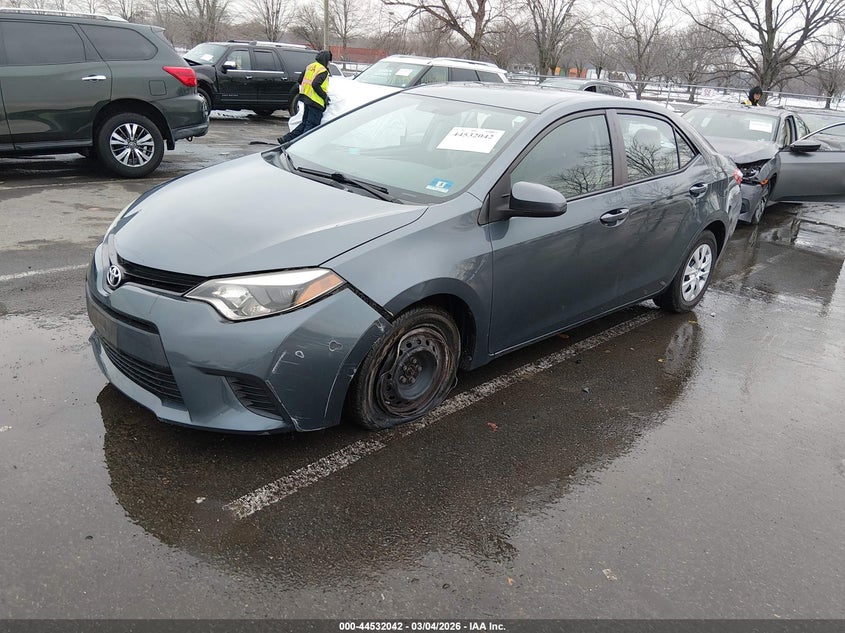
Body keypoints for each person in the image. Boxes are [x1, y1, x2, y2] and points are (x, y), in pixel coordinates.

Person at [277, 50, 332, 144]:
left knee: (305, 123)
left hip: (306, 99)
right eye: (329, 61)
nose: (329, 63)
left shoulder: (310, 67)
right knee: (311, 126)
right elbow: (315, 84)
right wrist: (324, 97)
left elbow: (300, 80)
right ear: (326, 60)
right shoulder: (323, 70)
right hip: (316, 102)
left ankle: (286, 139)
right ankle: (302, 144)